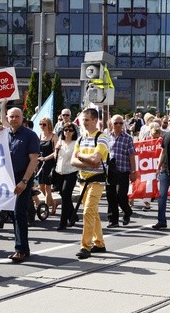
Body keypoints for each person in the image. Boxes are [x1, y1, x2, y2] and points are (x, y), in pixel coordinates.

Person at [0, 100, 40, 262]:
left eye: (17, 116)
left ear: (23, 118)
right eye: (11, 117)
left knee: (19, 213)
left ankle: (21, 249)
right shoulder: (4, 133)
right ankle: (23, 248)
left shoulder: (30, 135)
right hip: (8, 179)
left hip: (23, 177)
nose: (14, 119)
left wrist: (24, 181)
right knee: (12, 213)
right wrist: (3, 104)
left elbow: (34, 160)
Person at [71, 108, 109, 259]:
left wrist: (81, 157)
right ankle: (99, 243)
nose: (83, 123)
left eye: (87, 120)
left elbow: (96, 161)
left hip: (96, 181)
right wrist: (85, 160)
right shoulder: (80, 138)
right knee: (92, 213)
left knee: (88, 212)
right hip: (83, 181)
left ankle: (85, 246)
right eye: (82, 120)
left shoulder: (102, 138)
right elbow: (73, 161)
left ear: (95, 120)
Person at [106, 115, 137, 228]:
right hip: (110, 170)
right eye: (116, 123)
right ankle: (113, 220)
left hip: (124, 170)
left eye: (120, 123)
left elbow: (132, 155)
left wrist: (133, 171)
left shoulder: (128, 138)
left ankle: (127, 211)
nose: (118, 125)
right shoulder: (107, 137)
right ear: (111, 124)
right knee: (110, 195)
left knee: (121, 196)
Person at [53, 122, 79, 230]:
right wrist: (55, 150)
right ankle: (73, 215)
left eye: (70, 130)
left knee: (65, 194)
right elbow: (56, 156)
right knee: (65, 196)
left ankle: (63, 222)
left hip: (71, 172)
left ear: (74, 132)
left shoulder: (76, 143)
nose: (67, 132)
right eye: (65, 130)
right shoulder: (61, 141)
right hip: (59, 171)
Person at [37, 117, 59, 215]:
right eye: (40, 124)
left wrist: (46, 158)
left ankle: (46, 209)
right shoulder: (40, 135)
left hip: (50, 163)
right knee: (41, 187)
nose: (42, 126)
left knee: (47, 187)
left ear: (49, 125)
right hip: (40, 163)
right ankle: (53, 203)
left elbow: (56, 152)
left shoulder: (54, 136)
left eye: (44, 124)